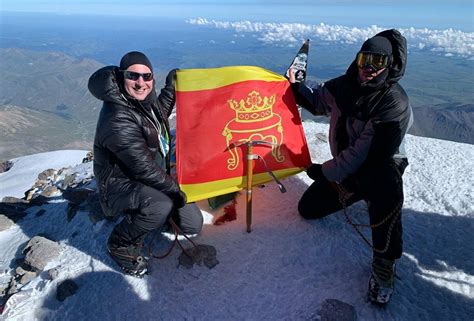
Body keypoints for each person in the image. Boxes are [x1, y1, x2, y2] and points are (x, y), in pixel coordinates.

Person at [288, 29, 412, 305]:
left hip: (379, 166)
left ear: (389, 64)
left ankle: (385, 262)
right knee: (309, 208)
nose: (369, 67)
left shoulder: (394, 103)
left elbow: (365, 157)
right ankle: (354, 192)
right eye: (364, 58)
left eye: (378, 61)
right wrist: (296, 86)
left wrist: (325, 171)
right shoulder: (344, 85)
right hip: (348, 169)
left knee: (385, 187)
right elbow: (318, 101)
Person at [88, 51, 203, 277]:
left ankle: (153, 217)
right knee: (159, 204)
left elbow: (157, 117)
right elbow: (143, 168)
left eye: (147, 76)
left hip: (148, 178)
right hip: (119, 185)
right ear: (122, 77)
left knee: (192, 224)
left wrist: (171, 88)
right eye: (133, 76)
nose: (141, 83)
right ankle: (121, 245)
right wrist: (173, 190)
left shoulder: (135, 101)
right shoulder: (117, 117)